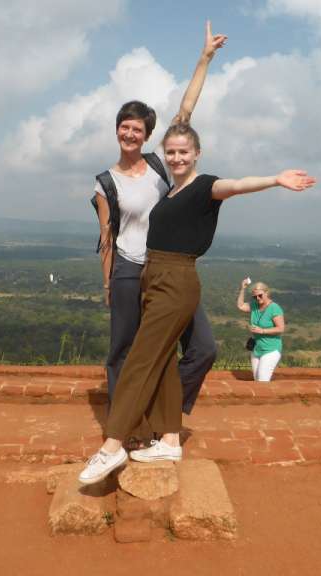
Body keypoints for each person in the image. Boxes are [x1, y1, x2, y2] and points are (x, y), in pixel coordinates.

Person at [79, 123, 316, 484]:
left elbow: (234, 186)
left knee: (140, 359)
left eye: (183, 152)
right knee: (164, 363)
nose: (175, 158)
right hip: (153, 277)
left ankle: (112, 447)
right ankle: (170, 439)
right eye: (170, 152)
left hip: (176, 280)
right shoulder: (172, 191)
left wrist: (274, 179)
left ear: (197, 154)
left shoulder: (206, 186)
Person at [93, 22, 226, 421]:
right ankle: (123, 423)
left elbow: (186, 111)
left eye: (137, 128)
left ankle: (159, 408)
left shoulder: (158, 164)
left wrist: (204, 59)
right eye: (125, 127)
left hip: (168, 269)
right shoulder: (105, 183)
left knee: (203, 348)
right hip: (129, 271)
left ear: (147, 134)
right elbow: (107, 237)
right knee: (124, 349)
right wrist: (108, 283)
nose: (130, 133)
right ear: (117, 130)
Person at [237, 280, 285, 381]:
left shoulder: (274, 308)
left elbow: (281, 328)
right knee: (257, 379)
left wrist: (262, 331)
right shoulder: (254, 305)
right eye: (255, 297)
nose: (257, 298)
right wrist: (243, 289)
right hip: (257, 349)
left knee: (262, 380)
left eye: (260, 295)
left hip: (270, 349)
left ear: (266, 293)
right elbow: (241, 306)